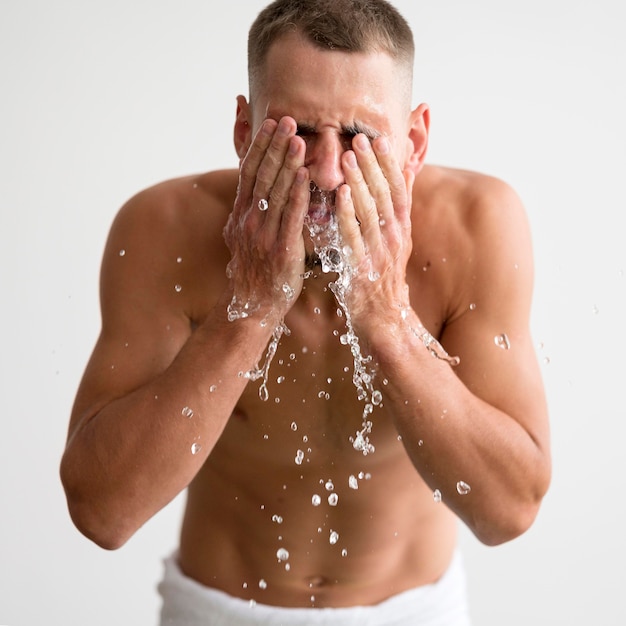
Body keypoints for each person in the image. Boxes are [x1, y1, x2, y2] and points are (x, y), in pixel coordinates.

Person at [60, 0, 551, 624]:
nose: (325, 170)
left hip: (414, 610)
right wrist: (250, 307)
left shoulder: (479, 226)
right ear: (245, 132)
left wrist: (388, 319)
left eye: (360, 137)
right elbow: (103, 513)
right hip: (217, 608)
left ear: (414, 141)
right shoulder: (164, 229)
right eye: (295, 132)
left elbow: (508, 512)